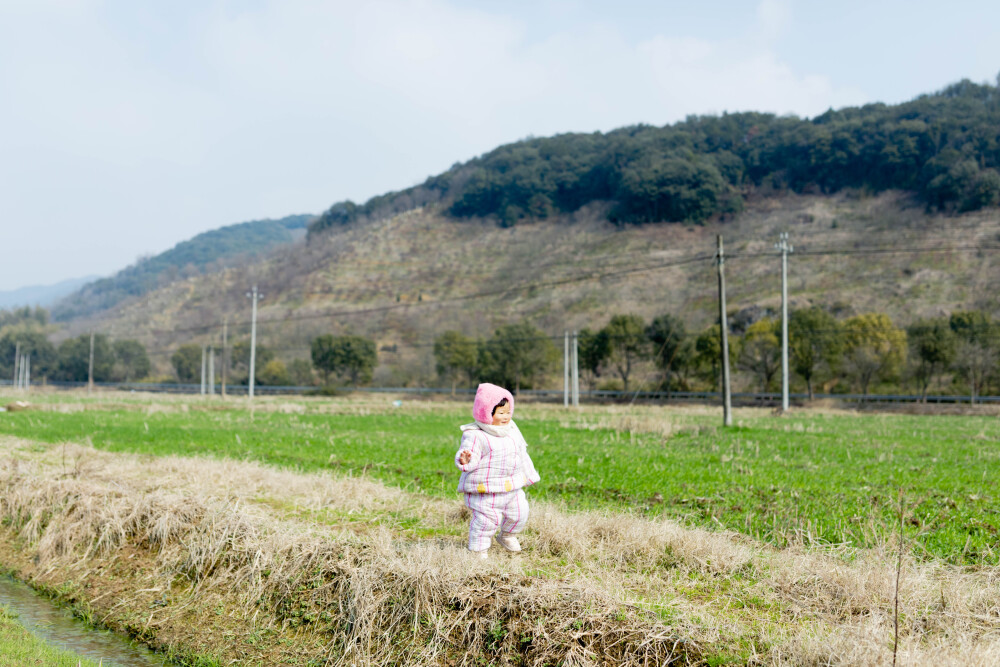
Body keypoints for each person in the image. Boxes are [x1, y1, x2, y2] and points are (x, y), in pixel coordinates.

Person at [455, 382, 540, 558]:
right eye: (501, 413)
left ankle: (507, 535)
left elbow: (521, 452)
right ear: (487, 413)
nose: (506, 416)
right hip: (486, 488)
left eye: (508, 412)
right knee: (487, 521)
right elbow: (470, 454)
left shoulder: (512, 430)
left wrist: (529, 475)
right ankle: (478, 550)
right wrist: (465, 459)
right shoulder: (475, 434)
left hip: (512, 486)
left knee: (519, 513)